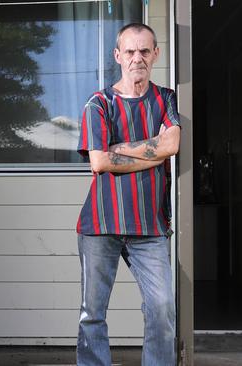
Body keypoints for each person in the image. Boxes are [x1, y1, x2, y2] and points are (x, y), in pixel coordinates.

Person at [75, 23, 181, 366]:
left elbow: (173, 144)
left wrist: (122, 151)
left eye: (145, 51)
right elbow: (100, 161)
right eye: (131, 51)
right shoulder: (99, 103)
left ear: (156, 54)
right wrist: (155, 151)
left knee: (163, 307)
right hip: (101, 224)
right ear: (118, 56)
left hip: (150, 227)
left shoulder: (165, 98)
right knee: (93, 313)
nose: (138, 58)